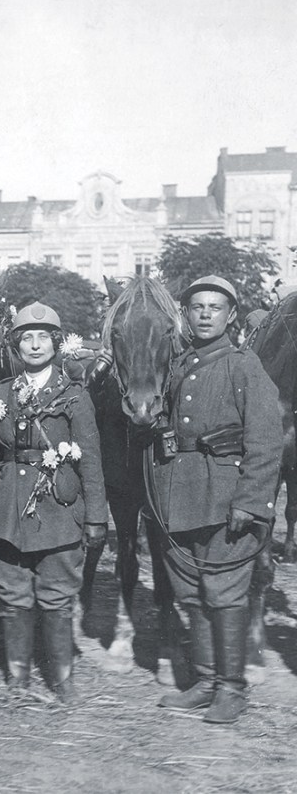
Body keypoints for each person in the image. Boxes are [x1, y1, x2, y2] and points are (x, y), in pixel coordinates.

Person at [0, 302, 107, 704]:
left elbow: (91, 458)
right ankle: (19, 681)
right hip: (6, 508)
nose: (35, 345)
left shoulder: (74, 395)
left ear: (56, 343)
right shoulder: (3, 391)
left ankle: (62, 680)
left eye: (43, 337)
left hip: (57, 507)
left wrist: (96, 517)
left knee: (57, 593)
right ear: (16, 344)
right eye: (27, 338)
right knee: (13, 592)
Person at [154, 276, 281, 724]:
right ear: (185, 314)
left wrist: (250, 501)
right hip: (178, 495)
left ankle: (232, 688)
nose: (205, 314)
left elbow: (266, 442)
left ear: (231, 316)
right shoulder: (177, 365)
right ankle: (206, 681)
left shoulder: (245, 366)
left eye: (215, 307)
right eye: (196, 307)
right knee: (191, 593)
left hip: (227, 498)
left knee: (225, 594)